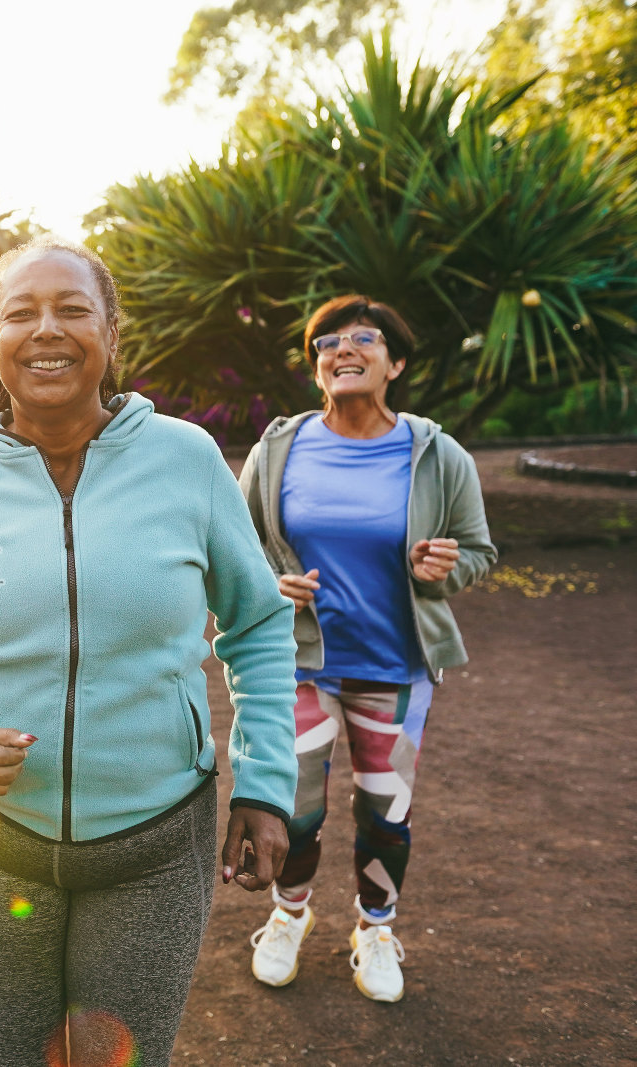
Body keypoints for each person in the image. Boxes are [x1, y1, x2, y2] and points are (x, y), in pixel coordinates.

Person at [0, 237, 299, 1067]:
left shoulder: (186, 460)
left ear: (110, 330)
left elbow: (256, 623)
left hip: (153, 845)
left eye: (71, 309)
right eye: (21, 313)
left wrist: (268, 781)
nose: (47, 330)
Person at [238, 295, 496, 1003]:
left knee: (386, 808)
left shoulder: (436, 453)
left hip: (395, 666)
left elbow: (478, 550)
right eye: (327, 342)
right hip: (299, 662)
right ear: (317, 367)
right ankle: (288, 916)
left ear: (395, 362)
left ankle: (375, 927)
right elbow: (234, 547)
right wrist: (268, 579)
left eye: (363, 338)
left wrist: (446, 566)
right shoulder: (279, 447)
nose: (342, 349)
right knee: (297, 806)